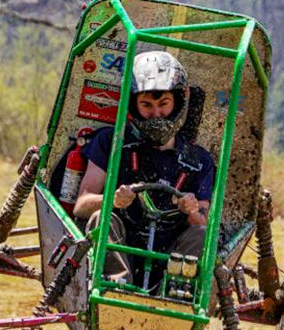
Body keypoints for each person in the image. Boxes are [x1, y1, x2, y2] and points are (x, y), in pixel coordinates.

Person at [73, 51, 216, 285]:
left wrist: (189, 208)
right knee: (101, 217)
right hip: (119, 247)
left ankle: (176, 297)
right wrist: (113, 201)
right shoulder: (112, 142)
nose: (156, 114)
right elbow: (81, 205)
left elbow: (201, 224)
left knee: (201, 235)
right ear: (134, 105)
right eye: (146, 105)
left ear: (178, 103)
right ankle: (115, 289)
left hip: (171, 257)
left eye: (164, 104)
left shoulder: (199, 161)